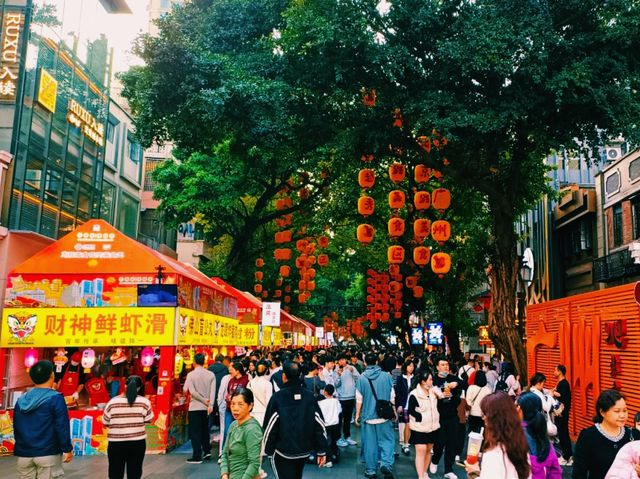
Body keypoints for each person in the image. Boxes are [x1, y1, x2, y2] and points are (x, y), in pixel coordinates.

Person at [262, 360, 328, 479]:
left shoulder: (277, 398)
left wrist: (268, 450)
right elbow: (319, 424)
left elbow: (269, 426)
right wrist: (321, 450)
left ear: (284, 376)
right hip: (304, 450)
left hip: (283, 451)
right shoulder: (309, 396)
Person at [14, 360, 73, 478]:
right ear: (51, 375)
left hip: (24, 454)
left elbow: (16, 426)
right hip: (48, 453)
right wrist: (67, 448)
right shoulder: (55, 398)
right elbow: (61, 426)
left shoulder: (21, 400)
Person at [573, 389, 639, 479]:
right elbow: (579, 473)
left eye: (625, 410)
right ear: (602, 412)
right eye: (617, 411)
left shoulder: (634, 435)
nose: (622, 415)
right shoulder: (588, 436)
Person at [464, 391, 531, 479]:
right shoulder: (519, 444)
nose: (483, 419)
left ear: (492, 419)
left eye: (484, 414)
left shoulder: (494, 454)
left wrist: (473, 474)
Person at [102, 375, 154, 479]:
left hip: (116, 443)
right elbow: (149, 420)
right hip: (137, 443)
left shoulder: (113, 402)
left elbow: (105, 421)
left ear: (125, 385)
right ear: (139, 388)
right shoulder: (145, 402)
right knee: (135, 472)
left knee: (115, 472)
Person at [355, 352, 396, 479]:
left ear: (365, 363)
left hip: (368, 418)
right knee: (388, 442)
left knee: (369, 445)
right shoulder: (386, 376)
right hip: (384, 416)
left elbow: (359, 400)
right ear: (377, 362)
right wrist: (393, 411)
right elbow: (392, 397)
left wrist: (357, 415)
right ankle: (386, 464)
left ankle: (371, 470)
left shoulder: (361, 378)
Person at [429, 357, 464, 479]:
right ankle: (435, 459)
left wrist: (457, 383)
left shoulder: (453, 378)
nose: (446, 367)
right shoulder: (433, 379)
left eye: (447, 365)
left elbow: (466, 384)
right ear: (437, 367)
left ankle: (448, 469)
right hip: (438, 417)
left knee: (451, 442)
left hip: (452, 416)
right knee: (439, 442)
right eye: (443, 365)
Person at [220, 389, 263, 479]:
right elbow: (224, 453)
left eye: (240, 404)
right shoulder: (233, 425)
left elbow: (254, 463)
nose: (235, 408)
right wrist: (224, 474)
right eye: (232, 404)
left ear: (250, 406)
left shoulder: (252, 429)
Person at [517, 392, 562, 479]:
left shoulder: (517, 434)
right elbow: (555, 471)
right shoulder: (540, 432)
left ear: (521, 410)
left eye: (517, 405)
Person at [183, 352, 216, 464]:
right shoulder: (211, 374)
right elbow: (213, 391)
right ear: (204, 361)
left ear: (194, 362)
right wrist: (210, 404)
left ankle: (197, 455)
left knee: (195, 432)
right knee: (204, 430)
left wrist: (203, 400)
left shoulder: (190, 375)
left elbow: (191, 392)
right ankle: (207, 451)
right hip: (206, 408)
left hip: (195, 407)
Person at [408, 369, 441, 479]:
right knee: (421, 450)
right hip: (419, 428)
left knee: (428, 451)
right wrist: (420, 417)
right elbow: (411, 410)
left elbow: (442, 398)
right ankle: (420, 476)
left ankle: (424, 472)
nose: (432, 381)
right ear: (423, 381)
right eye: (430, 379)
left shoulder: (433, 391)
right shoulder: (414, 394)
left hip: (433, 427)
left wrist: (440, 394)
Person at [222, 362, 250, 447]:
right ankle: (226, 453)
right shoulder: (231, 380)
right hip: (229, 409)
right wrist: (227, 398)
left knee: (239, 432)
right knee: (227, 431)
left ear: (237, 371)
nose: (230, 372)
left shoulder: (246, 380)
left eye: (232, 370)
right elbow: (228, 392)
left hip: (241, 410)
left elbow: (247, 394)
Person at [335, 353, 360, 447]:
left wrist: (353, 371)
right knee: (339, 419)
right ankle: (338, 438)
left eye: (343, 359)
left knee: (348, 419)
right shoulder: (336, 370)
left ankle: (347, 437)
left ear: (346, 360)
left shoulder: (351, 368)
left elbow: (359, 378)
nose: (342, 361)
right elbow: (336, 384)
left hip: (351, 397)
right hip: (341, 398)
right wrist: (339, 375)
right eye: (340, 360)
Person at [551, 364, 572, 466]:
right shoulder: (561, 383)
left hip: (562, 413)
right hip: (561, 413)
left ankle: (566, 457)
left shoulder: (563, 383)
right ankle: (568, 456)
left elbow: (562, 396)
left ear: (560, 371)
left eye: (555, 370)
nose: (553, 372)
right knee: (563, 433)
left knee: (563, 434)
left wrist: (553, 393)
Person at [318, 384, 342, 468]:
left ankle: (329, 461)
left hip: (326, 425)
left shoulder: (321, 403)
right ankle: (335, 455)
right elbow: (339, 411)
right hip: (335, 425)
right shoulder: (336, 401)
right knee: (333, 441)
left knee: (327, 443)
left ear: (325, 392)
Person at [394, 359, 415, 455]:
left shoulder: (415, 378)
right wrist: (399, 405)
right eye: (409, 366)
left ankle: (407, 441)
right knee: (405, 423)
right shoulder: (400, 378)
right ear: (405, 367)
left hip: (413, 404)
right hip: (404, 404)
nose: (411, 368)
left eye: (412, 366)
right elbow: (398, 393)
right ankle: (404, 442)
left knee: (410, 423)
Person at [248, 359, 273, 426]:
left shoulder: (250, 382)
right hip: (263, 413)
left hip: (252, 412)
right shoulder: (268, 384)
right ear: (267, 370)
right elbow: (268, 402)